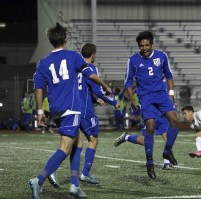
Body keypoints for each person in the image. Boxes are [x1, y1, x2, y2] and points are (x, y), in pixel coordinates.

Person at [28, 23, 112, 199]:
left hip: (56, 109)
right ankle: (39, 179)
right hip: (71, 108)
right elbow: (90, 75)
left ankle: (75, 185)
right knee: (65, 148)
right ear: (65, 38)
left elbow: (38, 89)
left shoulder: (43, 62)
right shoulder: (74, 56)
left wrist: (40, 111)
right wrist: (105, 86)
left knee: (78, 143)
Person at [124, 30, 179, 179]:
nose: (144, 48)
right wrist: (132, 99)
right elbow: (128, 82)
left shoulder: (161, 56)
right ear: (138, 46)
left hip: (162, 94)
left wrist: (171, 94)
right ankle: (150, 162)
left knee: (174, 121)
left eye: (147, 45)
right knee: (150, 127)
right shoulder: (133, 60)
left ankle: (167, 151)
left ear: (152, 44)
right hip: (145, 97)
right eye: (141, 45)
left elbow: (168, 75)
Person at [78, 43, 119, 184]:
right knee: (93, 139)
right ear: (93, 54)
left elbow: (84, 87)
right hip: (85, 110)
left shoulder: (76, 66)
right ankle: (85, 173)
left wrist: (96, 99)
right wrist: (114, 102)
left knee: (73, 142)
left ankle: (51, 171)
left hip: (72, 108)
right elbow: (97, 89)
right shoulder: (91, 68)